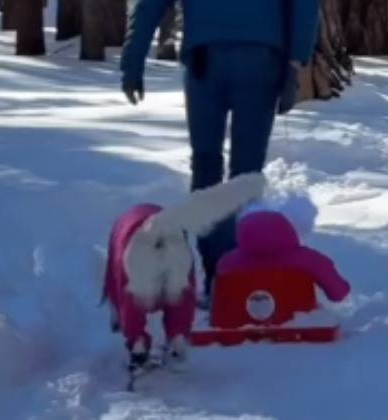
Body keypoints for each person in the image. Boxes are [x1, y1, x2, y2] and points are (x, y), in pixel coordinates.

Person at [120, 0, 320, 304]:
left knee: (206, 166)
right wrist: (296, 61)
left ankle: (218, 271)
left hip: (205, 56)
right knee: (247, 172)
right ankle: (240, 272)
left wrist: (133, 58)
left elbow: (150, 4)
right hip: (261, 54)